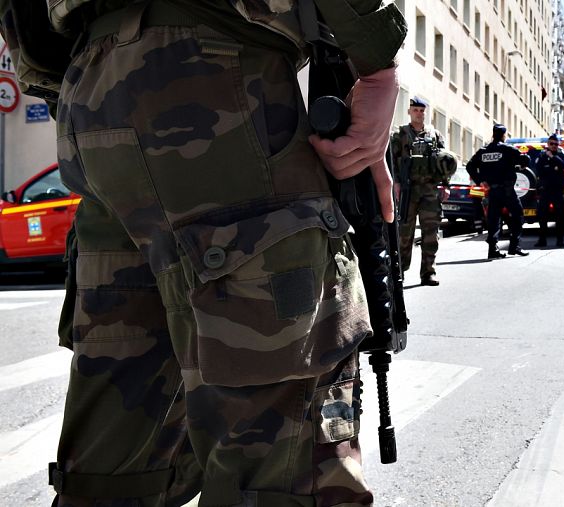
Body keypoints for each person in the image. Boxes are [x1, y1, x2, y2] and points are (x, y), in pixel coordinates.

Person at [0, 0, 406, 505]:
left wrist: (77, 74)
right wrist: (376, 65)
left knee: (117, 458)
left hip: (90, 83)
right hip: (218, 68)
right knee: (283, 469)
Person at [391, 96, 454, 286]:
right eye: (415, 110)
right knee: (404, 233)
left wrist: (446, 185)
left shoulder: (435, 135)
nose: (419, 113)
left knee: (430, 233)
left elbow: (445, 162)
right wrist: (395, 183)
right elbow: (392, 161)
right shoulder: (400, 134)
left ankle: (428, 273)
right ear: (409, 112)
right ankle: (399, 272)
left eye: (422, 110)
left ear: (425, 113)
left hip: (430, 190)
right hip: (408, 190)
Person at [466, 124, 530, 259]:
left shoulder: (483, 151)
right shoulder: (507, 149)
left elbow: (470, 166)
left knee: (493, 220)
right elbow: (525, 160)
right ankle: (514, 246)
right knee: (518, 215)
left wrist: (480, 181)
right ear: (504, 135)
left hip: (492, 191)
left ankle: (492, 249)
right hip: (507, 190)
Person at [535, 133, 564, 247]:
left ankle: (560, 240)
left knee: (559, 216)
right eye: (551, 144)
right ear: (548, 144)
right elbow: (538, 169)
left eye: (556, 144)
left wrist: (552, 157)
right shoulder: (542, 155)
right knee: (542, 215)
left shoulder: (561, 154)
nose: (554, 146)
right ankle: (542, 240)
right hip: (545, 189)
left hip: (557, 190)